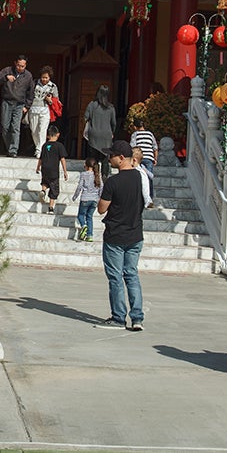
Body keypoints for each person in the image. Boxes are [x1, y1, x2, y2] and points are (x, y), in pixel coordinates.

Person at [97, 140, 145, 330]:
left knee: (116, 277)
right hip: (135, 234)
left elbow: (102, 208)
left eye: (112, 156)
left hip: (116, 235)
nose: (109, 159)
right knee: (131, 275)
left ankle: (118, 317)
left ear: (122, 158)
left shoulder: (113, 182)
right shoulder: (139, 178)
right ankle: (137, 317)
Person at [0, 55, 35, 157]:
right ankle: (9, 147)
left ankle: (13, 150)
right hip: (7, 102)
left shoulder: (28, 76)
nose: (20, 68)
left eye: (23, 66)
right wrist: (6, 77)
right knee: (5, 127)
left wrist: (27, 106)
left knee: (16, 128)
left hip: (19, 104)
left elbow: (31, 92)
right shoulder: (8, 70)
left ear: (25, 65)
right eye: (19, 65)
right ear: (15, 63)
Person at [35, 124, 68, 214]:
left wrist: (38, 168)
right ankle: (50, 208)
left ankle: (43, 190)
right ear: (58, 134)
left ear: (48, 135)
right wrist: (65, 171)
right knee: (54, 189)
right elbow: (62, 159)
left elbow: (40, 158)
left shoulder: (45, 145)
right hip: (54, 170)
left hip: (44, 169)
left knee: (45, 182)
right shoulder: (59, 146)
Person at [28, 65, 59, 159]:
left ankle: (40, 149)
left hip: (45, 110)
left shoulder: (53, 86)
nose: (44, 79)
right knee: (34, 130)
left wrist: (50, 100)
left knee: (42, 130)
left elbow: (56, 100)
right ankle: (38, 146)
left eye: (46, 77)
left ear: (49, 77)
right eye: (43, 77)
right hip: (33, 109)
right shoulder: (33, 83)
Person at [82, 84, 117, 162]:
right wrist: (112, 132)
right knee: (105, 157)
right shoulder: (111, 107)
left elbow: (85, 117)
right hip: (106, 134)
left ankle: (94, 172)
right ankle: (104, 174)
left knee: (93, 157)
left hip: (94, 133)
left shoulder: (92, 105)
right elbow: (114, 123)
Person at [71, 155, 102, 241]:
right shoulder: (97, 175)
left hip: (85, 198)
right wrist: (99, 198)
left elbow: (79, 186)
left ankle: (84, 226)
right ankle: (90, 236)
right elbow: (101, 187)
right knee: (89, 217)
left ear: (87, 165)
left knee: (81, 215)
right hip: (95, 200)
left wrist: (75, 196)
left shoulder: (83, 174)